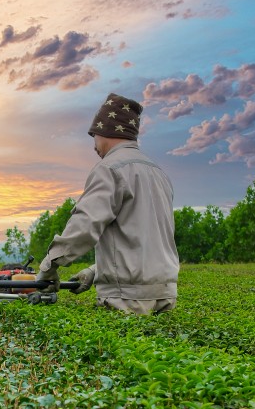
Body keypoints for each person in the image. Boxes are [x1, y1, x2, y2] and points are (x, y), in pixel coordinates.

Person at [36, 93, 179, 315]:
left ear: (105, 132)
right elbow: (146, 238)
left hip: (127, 300)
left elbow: (85, 225)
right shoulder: (158, 172)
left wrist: (49, 266)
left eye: (93, 135)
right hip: (165, 296)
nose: (94, 144)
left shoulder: (109, 168)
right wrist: (96, 271)